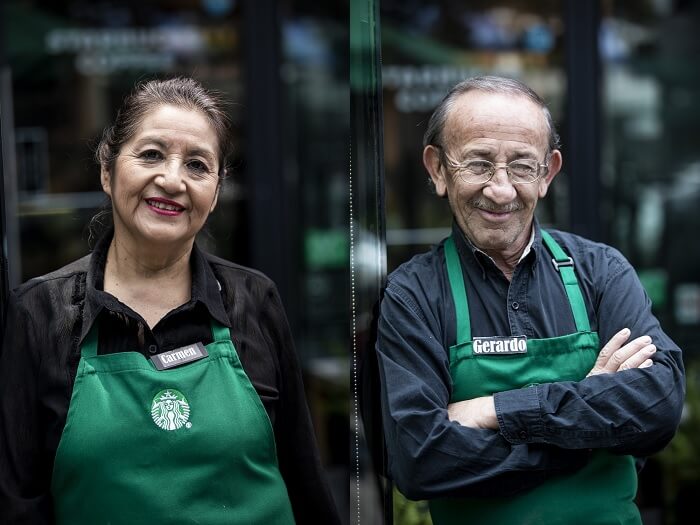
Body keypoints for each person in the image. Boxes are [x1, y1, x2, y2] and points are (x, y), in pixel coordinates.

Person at [0, 77, 340, 525]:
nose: (172, 179)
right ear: (108, 169)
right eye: (151, 154)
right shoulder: (38, 313)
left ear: (216, 191)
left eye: (197, 165)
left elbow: (304, 481)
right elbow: (19, 505)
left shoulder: (254, 300)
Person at [374, 76, 684, 524]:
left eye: (521, 166)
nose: (500, 190)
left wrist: (495, 410)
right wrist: (591, 430)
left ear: (547, 173)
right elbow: (421, 459)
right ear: (438, 169)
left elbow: (658, 405)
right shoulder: (413, 296)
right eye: (479, 164)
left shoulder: (600, 272)